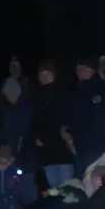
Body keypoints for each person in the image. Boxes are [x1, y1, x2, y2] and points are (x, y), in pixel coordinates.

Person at [64, 55, 105, 177]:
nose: (80, 72)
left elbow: (99, 116)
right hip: (80, 144)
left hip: (95, 145)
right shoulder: (77, 89)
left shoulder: (100, 87)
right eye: (77, 69)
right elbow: (72, 114)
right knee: (82, 179)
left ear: (92, 69)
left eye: (83, 68)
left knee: (94, 179)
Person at [30, 59, 72, 187]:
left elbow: (67, 117)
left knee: (68, 186)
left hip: (62, 148)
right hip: (46, 151)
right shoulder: (37, 96)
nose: (44, 77)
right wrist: (36, 136)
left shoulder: (63, 92)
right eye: (41, 75)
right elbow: (34, 120)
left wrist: (68, 134)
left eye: (47, 73)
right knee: (53, 187)